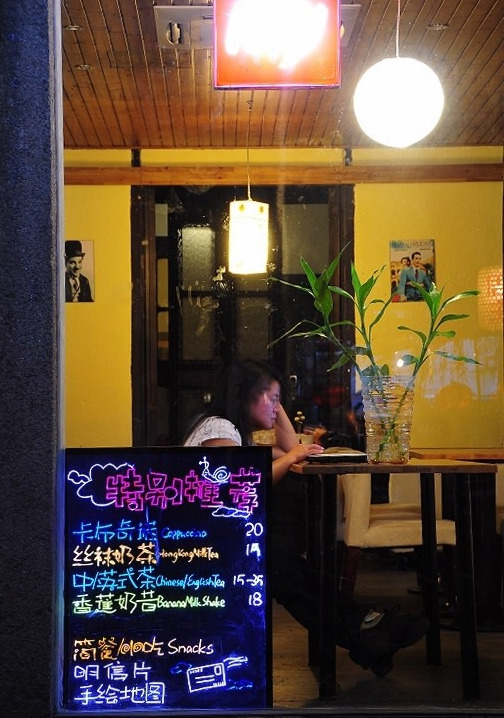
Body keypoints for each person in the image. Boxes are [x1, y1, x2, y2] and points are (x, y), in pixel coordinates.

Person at [183, 359, 428, 677]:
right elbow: (241, 486)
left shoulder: (233, 431)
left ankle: (367, 629)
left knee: (291, 569)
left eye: (279, 401)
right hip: (198, 550)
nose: (277, 408)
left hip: (220, 542)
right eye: (272, 399)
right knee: (284, 570)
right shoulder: (218, 430)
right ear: (245, 396)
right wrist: (291, 456)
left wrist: (274, 408)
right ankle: (366, 630)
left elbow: (290, 447)